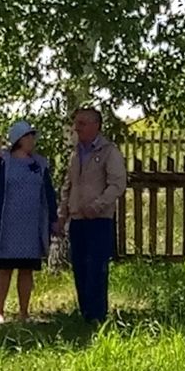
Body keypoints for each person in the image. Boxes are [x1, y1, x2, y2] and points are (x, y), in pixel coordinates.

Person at [0, 121, 59, 323]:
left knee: (27, 268)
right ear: (18, 140)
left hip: (31, 225)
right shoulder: (1, 162)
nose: (32, 140)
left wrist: (54, 219)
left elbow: (48, 193)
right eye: (28, 136)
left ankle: (24, 313)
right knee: (4, 267)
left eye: (32, 136)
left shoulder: (39, 164)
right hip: (7, 225)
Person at [60, 107, 126, 323]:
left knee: (96, 267)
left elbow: (117, 185)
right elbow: (68, 185)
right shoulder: (75, 153)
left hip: (99, 219)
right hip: (77, 219)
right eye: (76, 123)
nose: (76, 128)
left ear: (95, 126)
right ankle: (85, 313)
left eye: (81, 123)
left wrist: (97, 206)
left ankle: (98, 315)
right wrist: (63, 213)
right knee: (79, 266)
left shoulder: (109, 152)